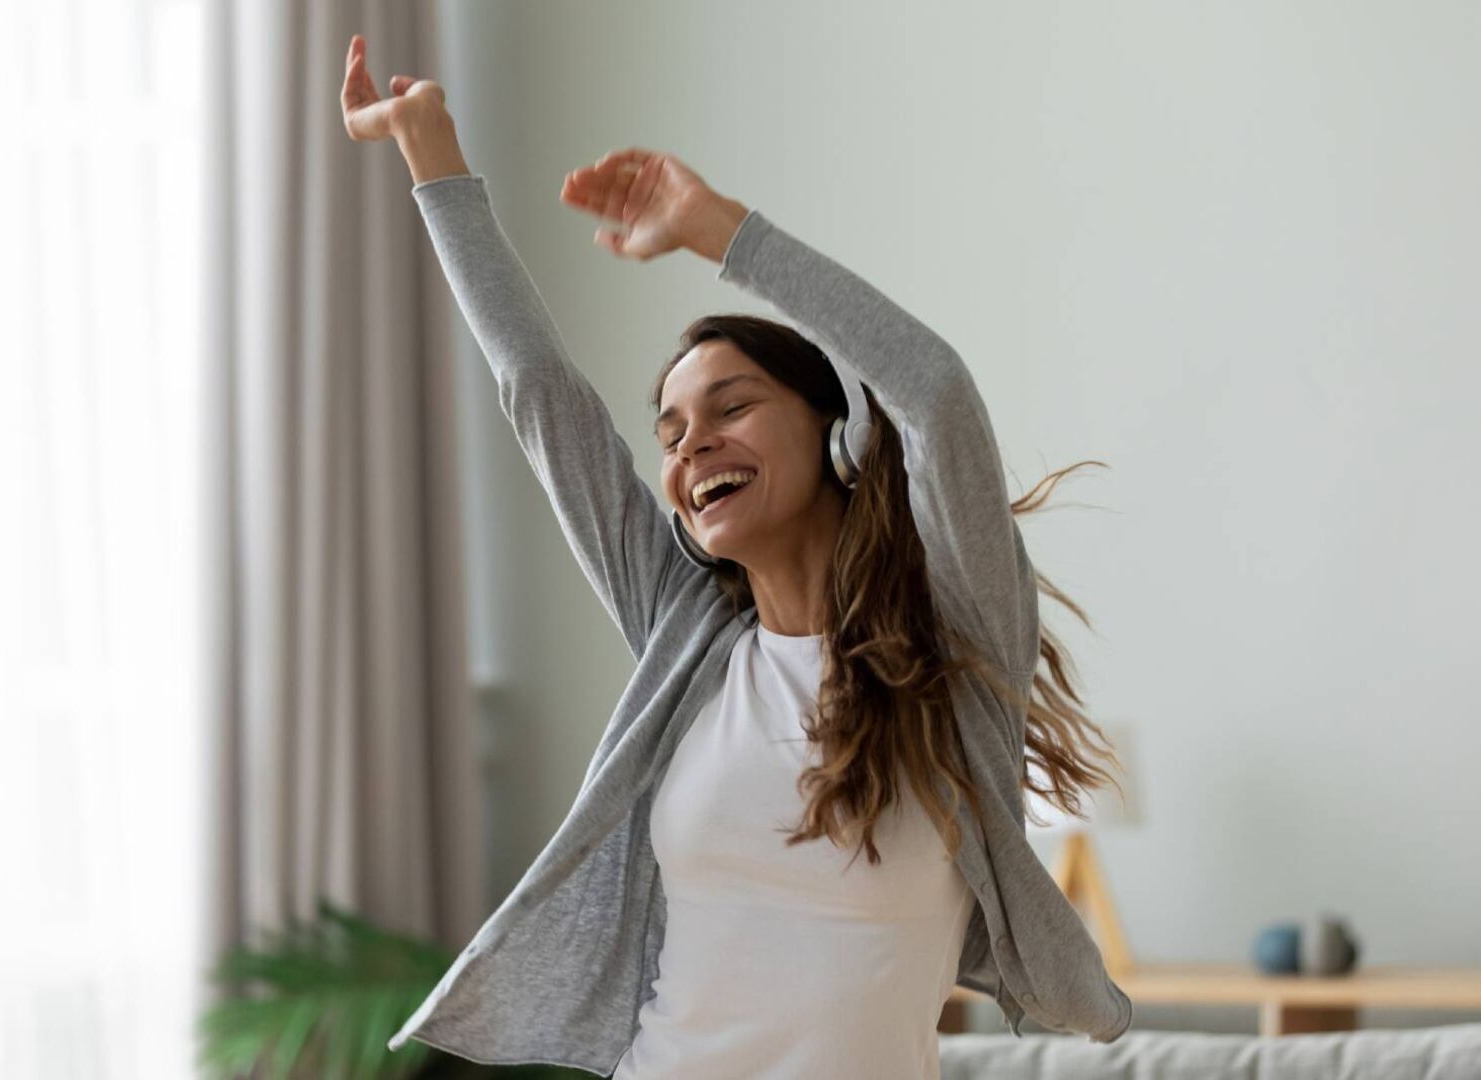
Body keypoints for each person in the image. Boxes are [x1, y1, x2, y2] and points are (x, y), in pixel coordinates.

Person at [343, 32, 1133, 1079]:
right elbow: (540, 395)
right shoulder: (687, 636)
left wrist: (717, 230)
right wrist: (427, 149)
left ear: (828, 426)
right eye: (669, 433)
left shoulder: (957, 642)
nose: (690, 445)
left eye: (731, 407)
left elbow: (933, 394)